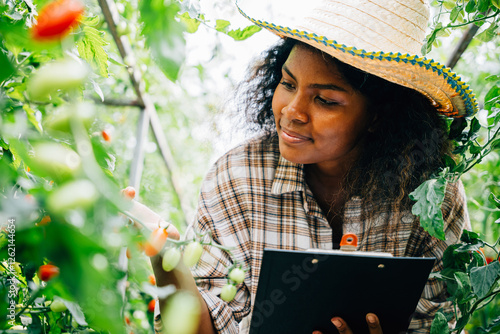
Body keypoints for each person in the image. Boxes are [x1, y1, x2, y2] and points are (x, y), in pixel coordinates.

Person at [128, 0, 476, 333]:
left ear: (379, 116)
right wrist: (164, 255)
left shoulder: (431, 197)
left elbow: (442, 319)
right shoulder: (237, 177)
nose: (291, 111)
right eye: (288, 83)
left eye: (325, 100)